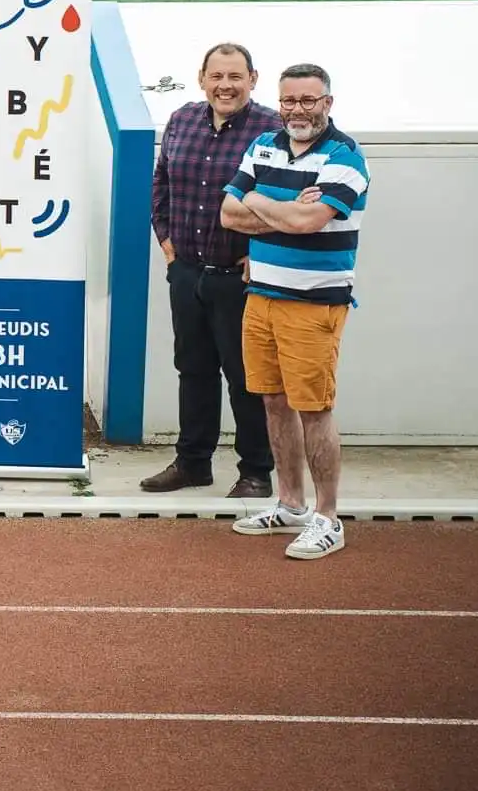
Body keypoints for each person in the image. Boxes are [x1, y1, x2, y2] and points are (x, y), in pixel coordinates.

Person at [224, 64, 370, 561]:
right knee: (273, 402)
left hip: (314, 303)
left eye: (308, 100)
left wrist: (260, 200)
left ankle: (328, 518)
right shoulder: (263, 144)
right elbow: (228, 214)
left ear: (328, 103)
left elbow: (310, 222)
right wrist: (286, 207)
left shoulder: (345, 156)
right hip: (261, 296)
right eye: (289, 101)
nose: (297, 110)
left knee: (313, 408)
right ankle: (289, 504)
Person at [142, 43, 283, 499]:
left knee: (246, 378)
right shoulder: (182, 119)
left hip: (240, 279)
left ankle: (256, 472)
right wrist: (166, 240)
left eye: (235, 77)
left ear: (253, 80)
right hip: (186, 272)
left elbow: (287, 199)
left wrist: (262, 251)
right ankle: (192, 463)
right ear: (202, 78)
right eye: (217, 76)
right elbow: (160, 182)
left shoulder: (273, 130)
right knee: (193, 369)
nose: (225, 86)